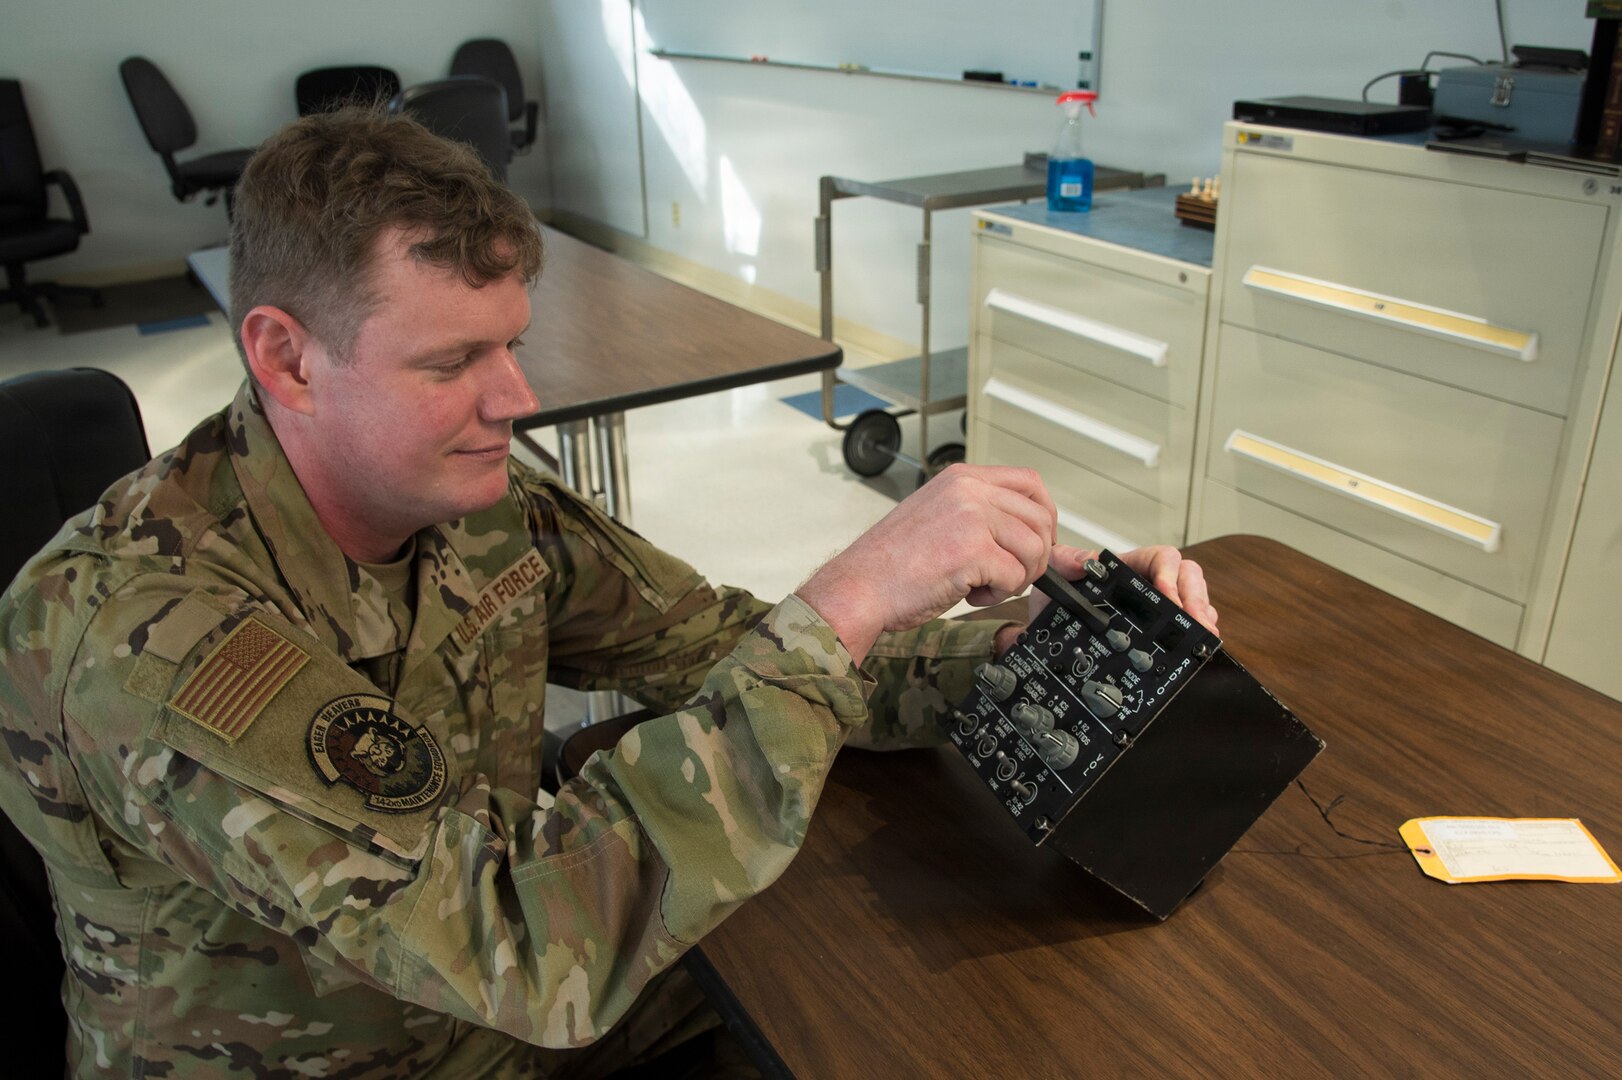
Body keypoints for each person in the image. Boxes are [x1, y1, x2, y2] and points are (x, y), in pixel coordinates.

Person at [0, 107, 1216, 1078]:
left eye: (511, 343)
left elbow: (730, 653)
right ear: (285, 358)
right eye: (450, 361)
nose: (514, 398)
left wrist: (1057, 646)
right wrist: (852, 590)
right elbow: (525, 952)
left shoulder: (473, 506)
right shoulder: (149, 638)